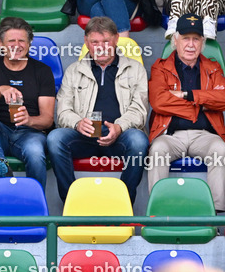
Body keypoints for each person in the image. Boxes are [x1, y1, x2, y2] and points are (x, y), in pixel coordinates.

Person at [47, 16, 149, 204]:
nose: (100, 47)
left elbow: (140, 110)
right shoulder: (73, 70)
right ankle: (71, 203)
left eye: (106, 41)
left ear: (116, 39)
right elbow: (62, 111)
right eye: (94, 42)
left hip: (120, 136)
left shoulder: (135, 69)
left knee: (138, 140)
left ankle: (124, 203)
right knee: (55, 138)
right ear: (86, 42)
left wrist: (119, 127)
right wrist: (78, 123)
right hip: (85, 136)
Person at [147, 13, 225, 213]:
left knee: (220, 150)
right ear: (175, 41)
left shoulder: (213, 67)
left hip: (204, 135)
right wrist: (202, 103)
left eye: (196, 39)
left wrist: (187, 94)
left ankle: (215, 214)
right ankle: (156, 211)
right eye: (186, 38)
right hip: (171, 136)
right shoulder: (160, 68)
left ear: (203, 43)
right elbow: (159, 102)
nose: (191, 44)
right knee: (157, 150)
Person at [0, 17, 55, 187]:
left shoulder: (42, 71)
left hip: (29, 133)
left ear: (29, 44)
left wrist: (29, 120)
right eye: (11, 41)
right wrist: (0, 90)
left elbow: (47, 119)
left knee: (36, 152)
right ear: (0, 43)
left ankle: (35, 205)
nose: (16, 45)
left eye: (22, 40)